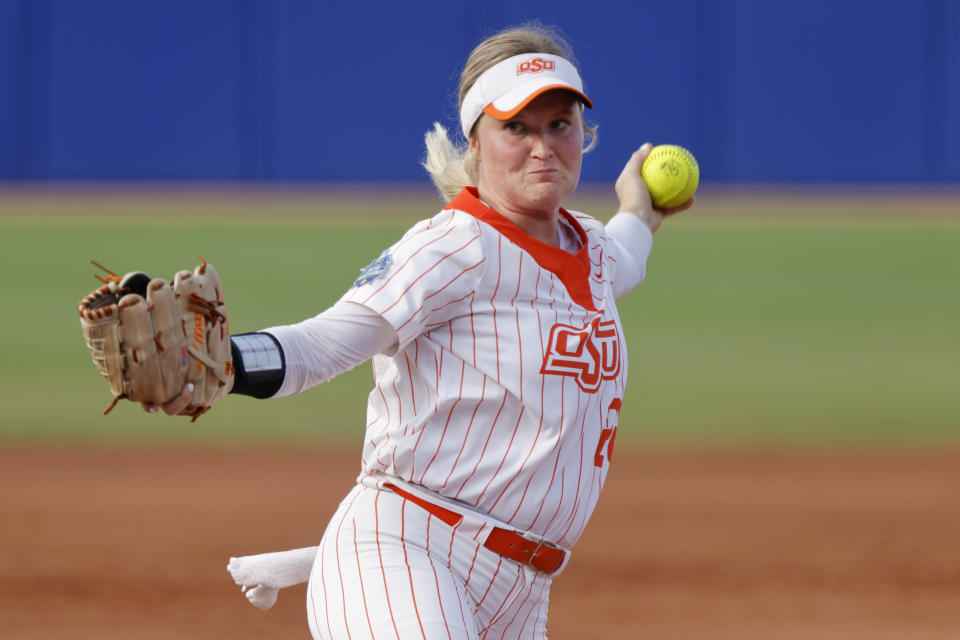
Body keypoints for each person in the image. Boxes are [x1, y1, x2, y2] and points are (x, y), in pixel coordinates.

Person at [146, 22, 691, 640]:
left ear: (582, 133)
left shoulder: (589, 250)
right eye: (517, 127)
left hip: (521, 596)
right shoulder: (450, 247)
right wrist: (219, 364)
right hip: (407, 554)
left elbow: (629, 252)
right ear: (476, 143)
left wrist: (640, 207)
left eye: (559, 124)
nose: (542, 146)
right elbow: (324, 341)